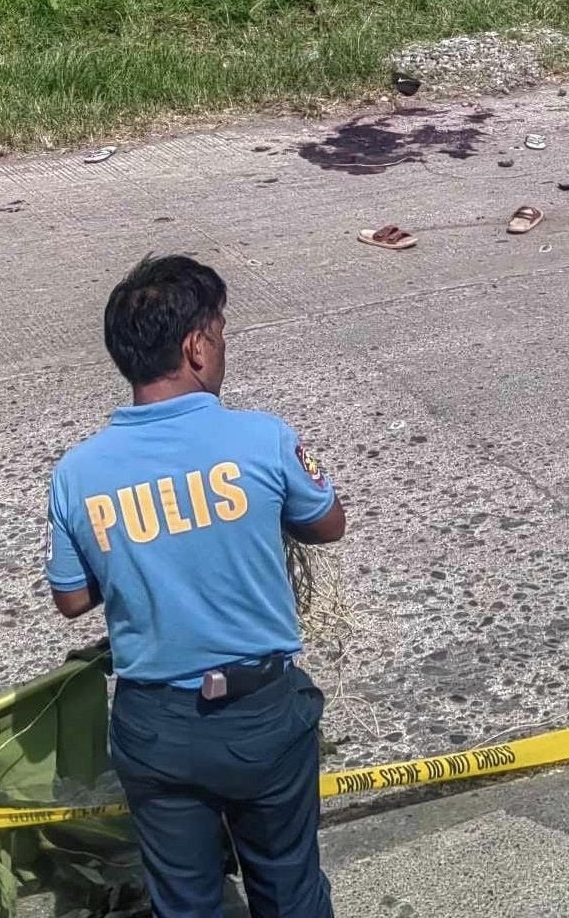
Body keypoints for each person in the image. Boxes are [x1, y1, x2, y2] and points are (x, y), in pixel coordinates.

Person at [44, 254, 344, 918]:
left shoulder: (78, 472)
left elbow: (70, 598)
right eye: (222, 332)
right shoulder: (260, 439)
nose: (223, 346)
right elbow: (326, 524)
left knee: (183, 902)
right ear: (196, 346)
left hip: (155, 726)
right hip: (262, 713)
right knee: (289, 885)